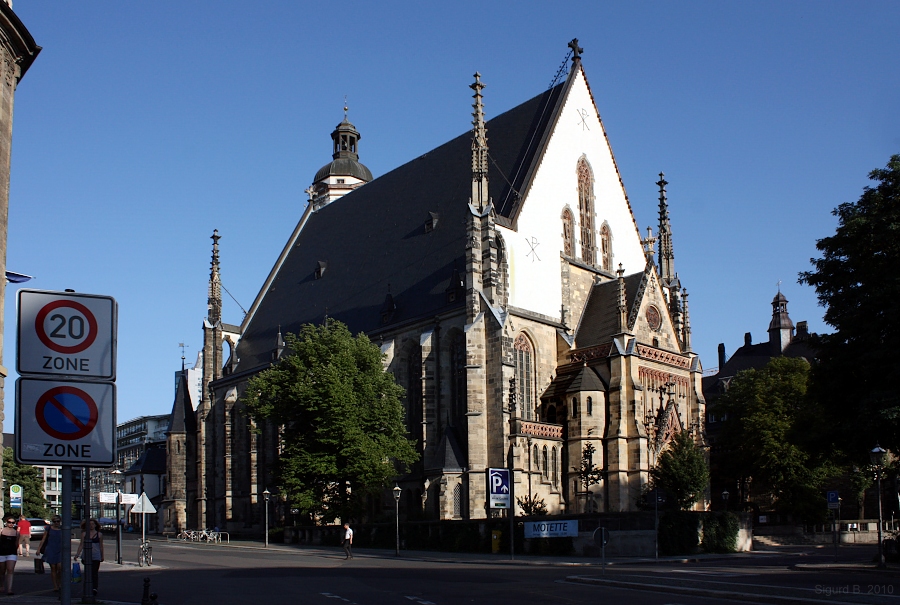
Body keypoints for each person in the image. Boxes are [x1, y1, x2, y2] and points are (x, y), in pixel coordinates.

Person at [74, 519, 104, 595]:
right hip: (86, 556)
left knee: (94, 572)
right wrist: (77, 554)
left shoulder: (99, 534)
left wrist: (102, 555)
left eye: (92, 524)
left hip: (96, 555)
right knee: (88, 572)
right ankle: (87, 586)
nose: (91, 526)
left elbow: (101, 546)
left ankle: (94, 588)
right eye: (89, 524)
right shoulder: (84, 534)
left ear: (95, 525)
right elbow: (81, 544)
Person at [37, 515, 63, 592]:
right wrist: (39, 549)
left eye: (58, 521)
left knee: (60, 567)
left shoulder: (63, 529)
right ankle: (55, 585)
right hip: (51, 549)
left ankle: (59, 582)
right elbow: (43, 539)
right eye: (54, 521)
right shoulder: (49, 529)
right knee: (53, 568)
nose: (56, 523)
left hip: (60, 549)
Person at [0, 516, 19, 595]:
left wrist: (15, 550)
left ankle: (9, 589)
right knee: (2, 571)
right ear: (6, 523)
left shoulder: (16, 532)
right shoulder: (2, 531)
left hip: (12, 552)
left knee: (10, 570)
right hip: (1, 552)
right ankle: (1, 585)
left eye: (13, 523)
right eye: (9, 522)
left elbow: (17, 543)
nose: (11, 524)